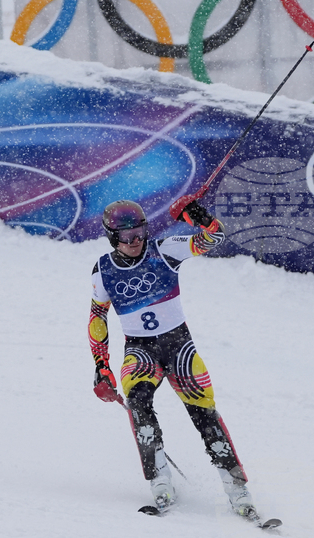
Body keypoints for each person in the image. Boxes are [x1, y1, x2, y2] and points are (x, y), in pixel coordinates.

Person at [87, 199, 258, 519]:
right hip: (141, 351)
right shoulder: (103, 270)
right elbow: (98, 316)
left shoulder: (165, 249)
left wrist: (199, 218)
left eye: (139, 232)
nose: (135, 241)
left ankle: (237, 490)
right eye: (126, 236)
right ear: (112, 237)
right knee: (138, 402)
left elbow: (214, 237)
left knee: (204, 413)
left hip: (179, 347)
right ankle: (160, 480)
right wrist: (101, 365)